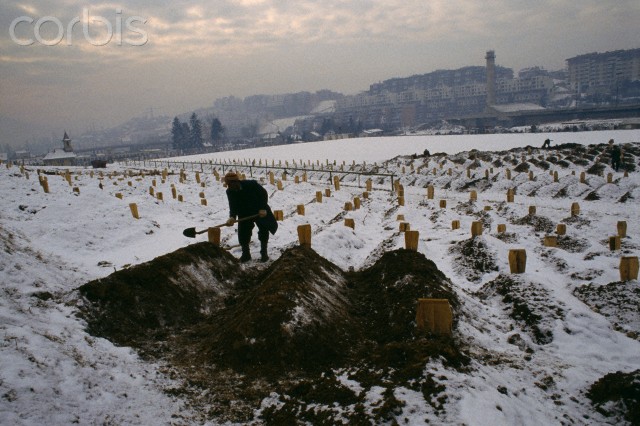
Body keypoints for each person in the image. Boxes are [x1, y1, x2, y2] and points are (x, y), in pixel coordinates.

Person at [224, 171, 278, 262]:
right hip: (244, 212)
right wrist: (232, 217)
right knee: (243, 232)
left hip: (259, 210)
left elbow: (263, 194)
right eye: (228, 184)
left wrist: (262, 208)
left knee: (264, 229)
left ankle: (264, 253)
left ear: (236, 181)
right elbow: (232, 205)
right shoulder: (230, 191)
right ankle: (246, 254)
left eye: (231, 184)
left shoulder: (251, 185)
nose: (230, 186)